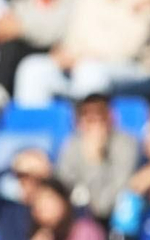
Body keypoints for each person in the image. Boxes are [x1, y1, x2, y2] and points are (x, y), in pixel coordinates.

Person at [14, 0, 150, 106]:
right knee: (33, 68)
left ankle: (87, 127)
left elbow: (129, 49)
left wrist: (81, 58)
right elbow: (73, 38)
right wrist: (65, 55)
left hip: (135, 71)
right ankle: (34, 129)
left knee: (90, 72)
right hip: (82, 66)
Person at [57, 93, 140, 221]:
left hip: (114, 222)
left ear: (111, 118)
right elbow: (63, 187)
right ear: (78, 122)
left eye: (100, 115)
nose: (95, 122)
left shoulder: (126, 145)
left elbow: (103, 206)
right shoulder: (72, 144)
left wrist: (95, 160)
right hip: (77, 219)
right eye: (88, 117)